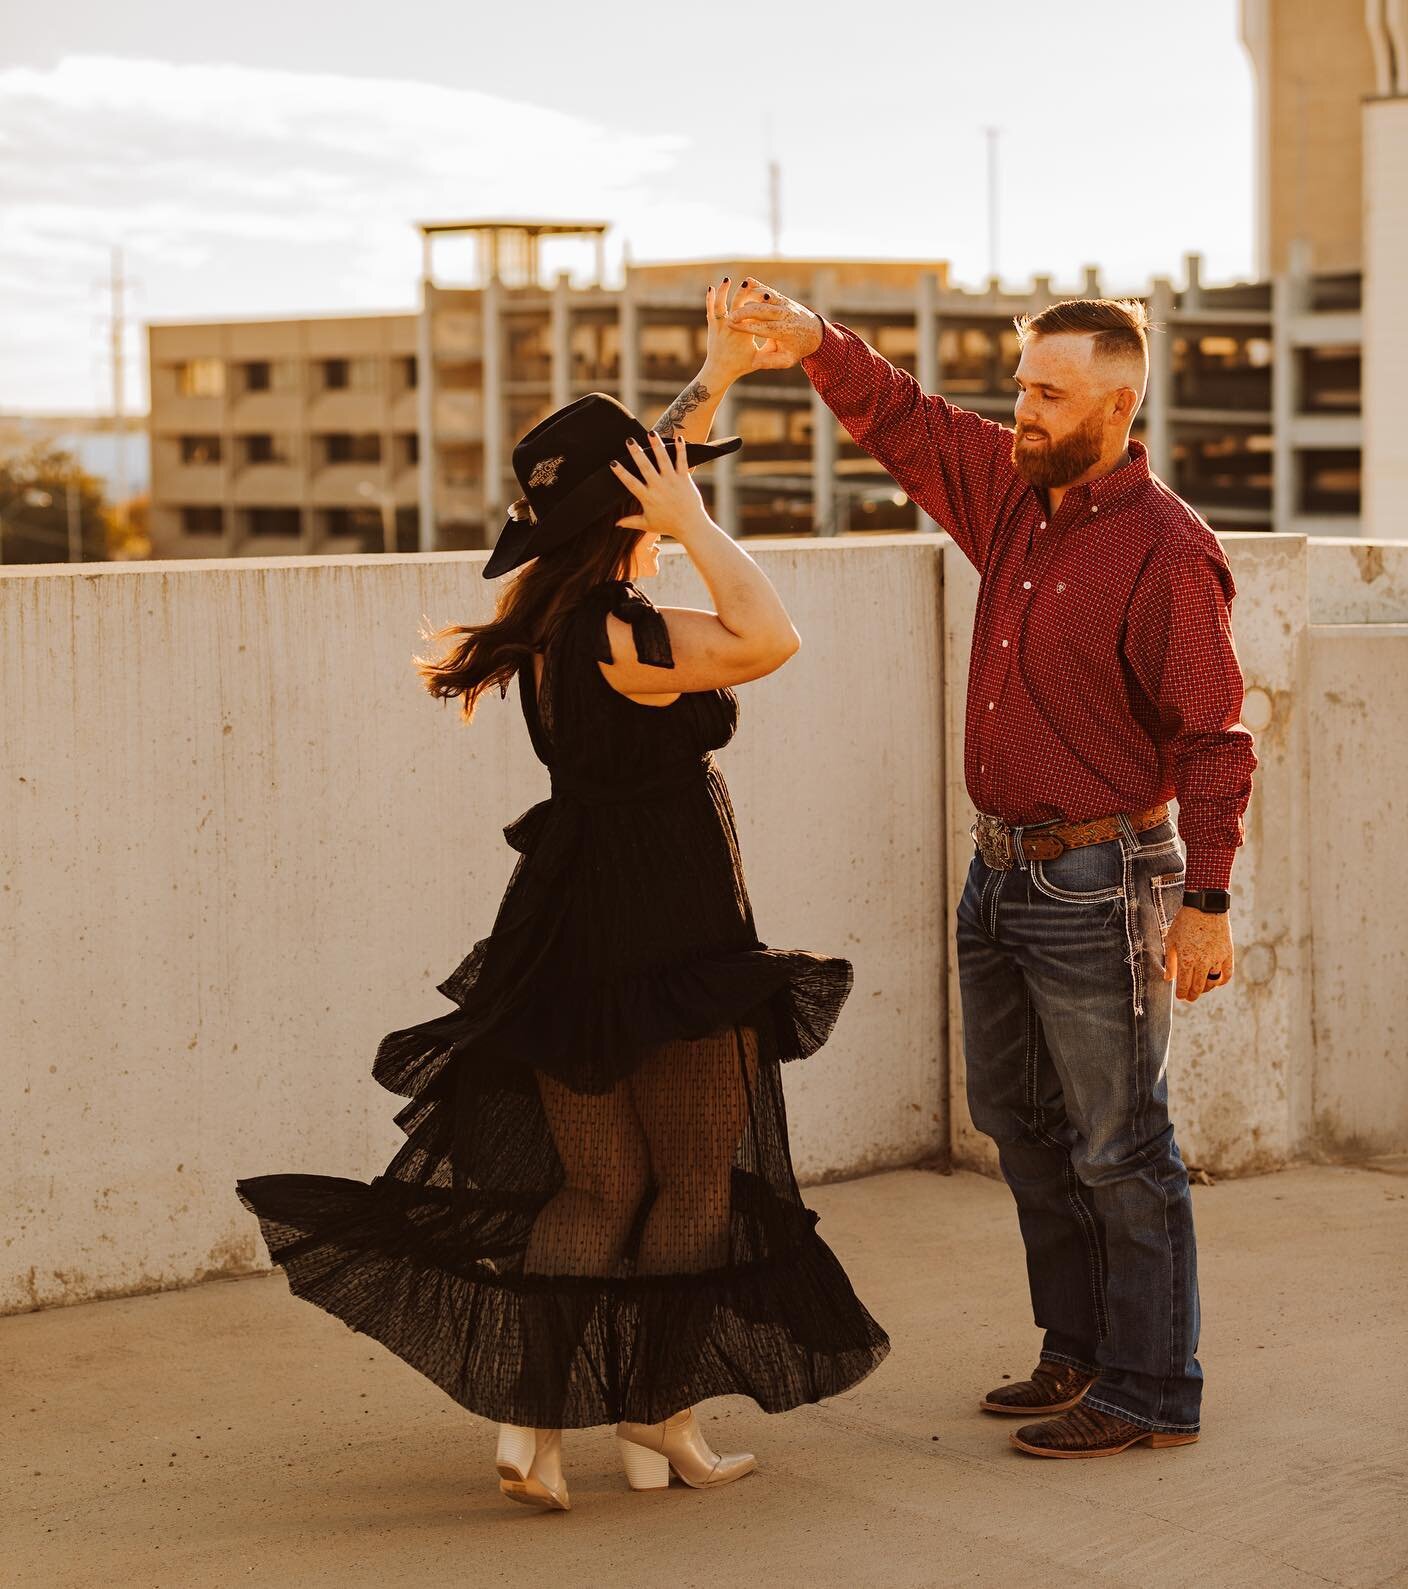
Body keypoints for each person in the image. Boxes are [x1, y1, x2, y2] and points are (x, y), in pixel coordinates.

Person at [235, 280, 889, 1512]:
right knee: (691, 1183)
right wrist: (694, 520)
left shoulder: (556, 619)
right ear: (632, 512)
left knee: (600, 1187)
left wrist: (716, 376)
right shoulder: (621, 632)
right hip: (668, 934)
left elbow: (647, 455)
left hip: (571, 928)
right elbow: (769, 636)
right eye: (662, 482)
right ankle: (652, 1409)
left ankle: (533, 1425)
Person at [714, 280, 1256, 1459]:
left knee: (1121, 1140)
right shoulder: (1014, 495)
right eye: (1019, 383)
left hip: (1104, 876)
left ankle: (1155, 1387)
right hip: (1000, 872)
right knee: (1020, 1121)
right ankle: (1079, 1349)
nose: (1021, 407)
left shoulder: (1169, 550)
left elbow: (1215, 739)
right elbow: (903, 418)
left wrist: (1207, 900)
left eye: (1047, 392)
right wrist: (813, 340)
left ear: (1117, 405)